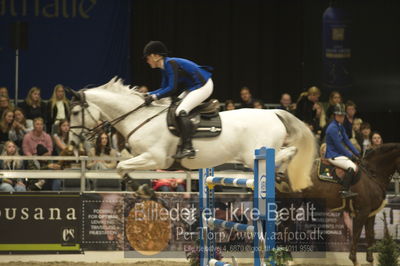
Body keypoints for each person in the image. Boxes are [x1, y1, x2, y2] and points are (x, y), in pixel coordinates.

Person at [142, 41, 213, 159]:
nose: (147, 60)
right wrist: (146, 94)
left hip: (203, 85)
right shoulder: (164, 66)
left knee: (181, 111)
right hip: (193, 87)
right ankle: (182, 144)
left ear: (156, 56)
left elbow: (171, 88)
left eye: (148, 57)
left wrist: (154, 97)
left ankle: (188, 147)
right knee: (174, 107)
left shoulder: (170, 63)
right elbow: (163, 89)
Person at [325, 103, 360, 198]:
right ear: (335, 115)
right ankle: (344, 191)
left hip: (339, 154)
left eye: (343, 115)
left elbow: (347, 141)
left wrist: (357, 153)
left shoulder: (340, 126)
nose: (341, 117)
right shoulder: (332, 128)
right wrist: (351, 155)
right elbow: (339, 146)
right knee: (352, 167)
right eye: (339, 115)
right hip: (333, 155)